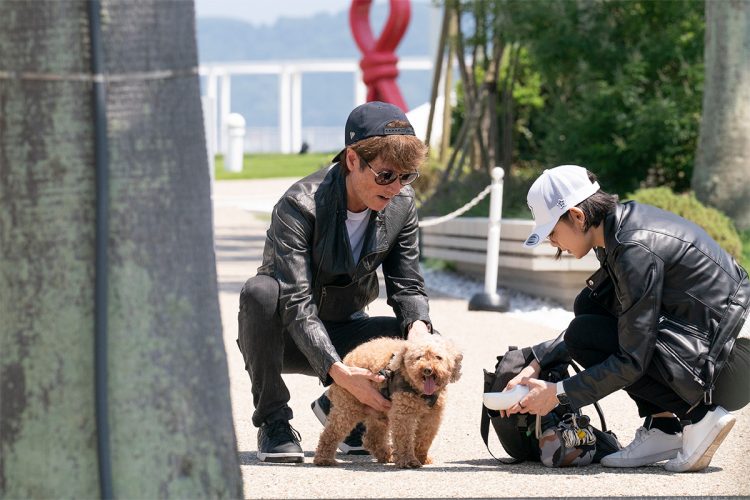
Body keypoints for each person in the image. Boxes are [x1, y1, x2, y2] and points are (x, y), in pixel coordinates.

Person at [504, 164, 750, 472]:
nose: (552, 242)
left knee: (585, 334)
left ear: (578, 216)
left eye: (552, 232)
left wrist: (559, 394)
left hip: (728, 371)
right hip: (706, 355)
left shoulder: (633, 249)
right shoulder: (617, 233)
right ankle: (665, 429)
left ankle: (699, 417)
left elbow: (632, 359)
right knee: (590, 305)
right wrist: (539, 360)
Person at [237, 101, 435, 463]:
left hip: (346, 327)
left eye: (406, 177)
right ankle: (274, 421)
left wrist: (419, 332)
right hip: (285, 336)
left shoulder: (402, 205)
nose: (395, 187)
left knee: (408, 337)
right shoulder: (299, 205)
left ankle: (341, 410)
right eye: (386, 175)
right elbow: (297, 302)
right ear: (352, 160)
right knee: (259, 292)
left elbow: (407, 284)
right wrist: (340, 373)